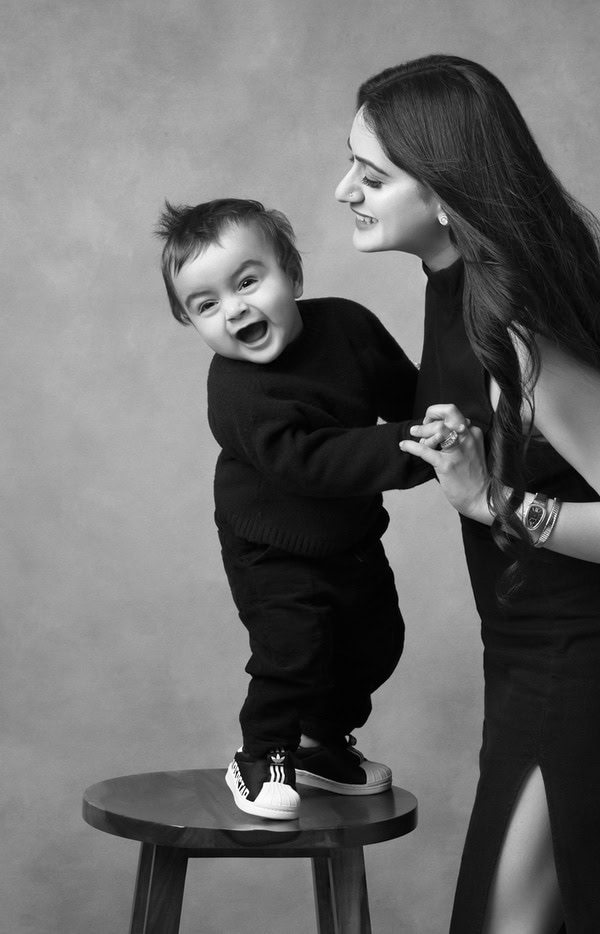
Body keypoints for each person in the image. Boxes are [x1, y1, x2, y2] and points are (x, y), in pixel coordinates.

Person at [333, 56, 600, 931]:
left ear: (445, 195)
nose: (345, 190)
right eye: (349, 164)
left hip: (598, 657)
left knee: (517, 918)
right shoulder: (451, 294)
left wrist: (494, 504)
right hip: (524, 650)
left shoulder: (522, 334)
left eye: (372, 176)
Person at [156, 198, 432, 820]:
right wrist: (417, 448)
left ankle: (319, 746)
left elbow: (406, 394)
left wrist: (444, 414)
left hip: (350, 537)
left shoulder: (349, 326)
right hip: (271, 550)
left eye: (247, 282)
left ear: (293, 275)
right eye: (206, 305)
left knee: (375, 642)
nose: (233, 309)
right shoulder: (236, 391)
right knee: (294, 652)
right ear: (190, 323)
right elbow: (310, 462)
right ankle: (261, 754)